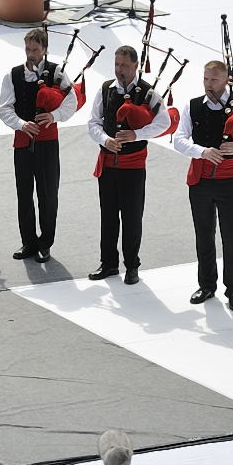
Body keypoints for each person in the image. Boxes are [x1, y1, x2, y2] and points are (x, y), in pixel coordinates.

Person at [174, 60, 233, 311]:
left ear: (226, 79)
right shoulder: (193, 105)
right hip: (201, 181)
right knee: (204, 235)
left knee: (231, 237)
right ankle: (206, 285)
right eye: (205, 79)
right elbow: (179, 140)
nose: (208, 84)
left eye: (214, 79)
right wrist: (202, 151)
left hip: (229, 182)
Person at [86, 45, 170, 285]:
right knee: (108, 216)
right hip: (108, 164)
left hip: (133, 167)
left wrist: (138, 134)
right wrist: (105, 139)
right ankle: (109, 263)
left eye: (124, 65)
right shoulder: (106, 89)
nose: (119, 69)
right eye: (116, 64)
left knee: (132, 217)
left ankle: (132, 265)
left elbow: (163, 123)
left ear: (135, 65)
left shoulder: (148, 93)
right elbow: (93, 123)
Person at [0, 28, 78, 262]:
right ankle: (28, 242)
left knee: (47, 194)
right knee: (24, 194)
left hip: (47, 143)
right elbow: (4, 108)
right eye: (27, 49)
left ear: (44, 50)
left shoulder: (57, 73)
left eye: (35, 49)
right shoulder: (13, 75)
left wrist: (54, 116)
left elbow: (71, 102)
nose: (30, 54)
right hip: (23, 141)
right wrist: (22, 124)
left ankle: (46, 243)